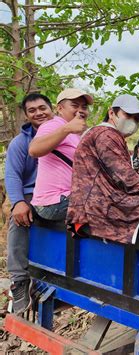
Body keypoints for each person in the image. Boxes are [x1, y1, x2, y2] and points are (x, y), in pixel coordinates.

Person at [66, 94, 139, 244]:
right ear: (111, 113)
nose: (132, 121)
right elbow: (125, 177)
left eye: (136, 119)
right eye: (128, 115)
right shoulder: (106, 134)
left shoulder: (102, 133)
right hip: (102, 208)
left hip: (94, 207)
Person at [5, 93, 53, 313]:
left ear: (51, 108)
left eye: (42, 108)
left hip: (62, 194)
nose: (38, 113)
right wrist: (17, 203)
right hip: (32, 194)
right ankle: (19, 280)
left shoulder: (64, 134)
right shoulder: (20, 143)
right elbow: (12, 175)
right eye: (32, 110)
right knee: (18, 221)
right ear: (26, 115)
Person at [29, 88, 93, 221]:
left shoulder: (78, 134)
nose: (80, 110)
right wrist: (67, 128)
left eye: (84, 107)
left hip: (70, 196)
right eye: (75, 106)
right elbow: (34, 150)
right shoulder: (53, 125)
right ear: (59, 108)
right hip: (53, 202)